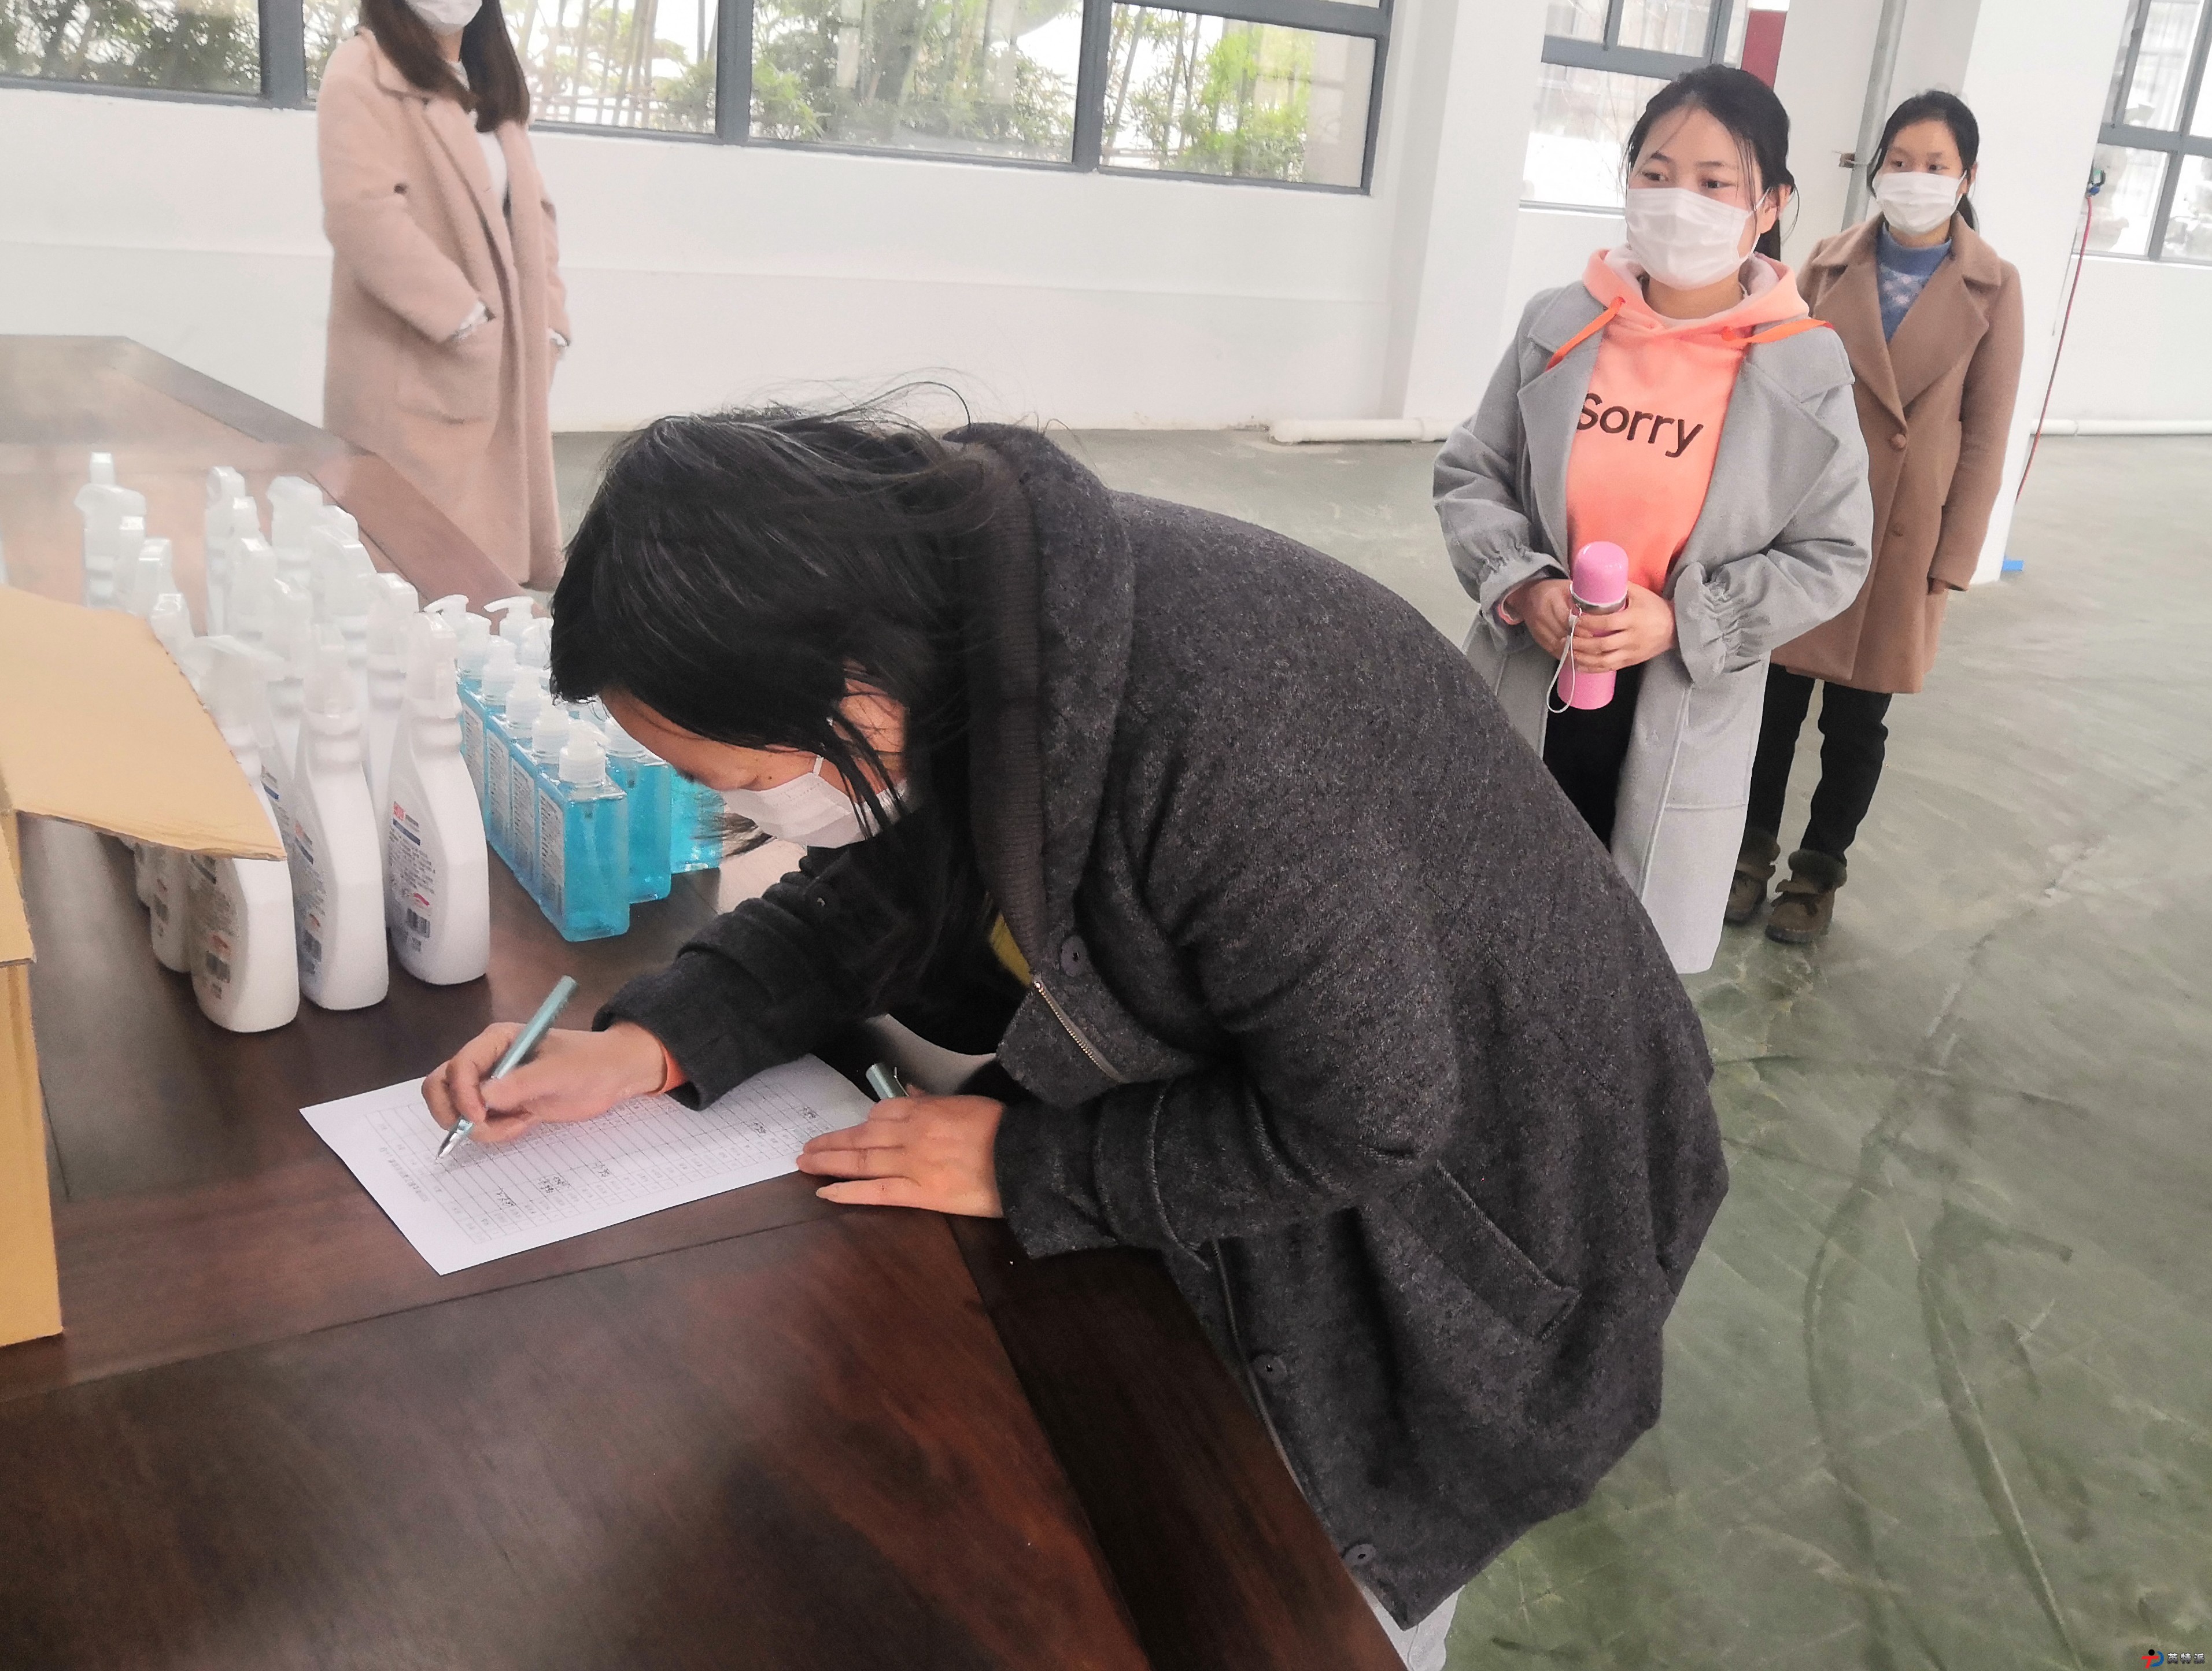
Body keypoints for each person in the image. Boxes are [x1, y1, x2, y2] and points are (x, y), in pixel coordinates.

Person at [419, 408, 1728, 1670]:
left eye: (740, 785)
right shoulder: (970, 636)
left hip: (1487, 1188)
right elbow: (878, 888)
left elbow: (1372, 1118)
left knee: (1321, 1588)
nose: (749, 816)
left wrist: (1030, 1166)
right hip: (1345, 1068)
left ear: (853, 689)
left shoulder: (1215, 728)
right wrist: (651, 1039)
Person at [1435, 65, 1874, 976]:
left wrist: (1682, 619)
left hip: (1680, 697)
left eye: (1715, 182)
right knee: (1492, 923)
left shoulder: (1804, 367)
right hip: (1533, 671)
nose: (1680, 202)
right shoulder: (1560, 322)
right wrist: (1525, 583)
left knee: (1623, 959)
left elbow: (1833, 553)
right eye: (1657, 172)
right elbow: (1472, 470)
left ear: (1770, 203)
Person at [1731, 91, 2025, 942]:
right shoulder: (1826, 264)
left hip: (1903, 534)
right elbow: (1773, 391)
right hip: (1804, 521)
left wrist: (1952, 557)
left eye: (1935, 165)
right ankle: (1747, 852)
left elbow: (1987, 430)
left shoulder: (1994, 286)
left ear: (1966, 177)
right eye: (1900, 161)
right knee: (1772, 706)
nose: (1914, 178)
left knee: (1857, 725)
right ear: (1878, 168)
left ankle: (1815, 873)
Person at [317, 0, 568, 587]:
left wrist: (551, 323)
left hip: (503, 366)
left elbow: (535, 211)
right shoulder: (361, 69)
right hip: (416, 364)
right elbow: (362, 215)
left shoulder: (488, 86)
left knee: (485, 583)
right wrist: (464, 320)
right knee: (408, 574)